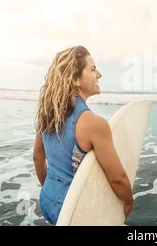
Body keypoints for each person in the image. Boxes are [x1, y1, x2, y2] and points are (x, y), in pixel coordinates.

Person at [33, 46, 133, 225]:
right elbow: (118, 179)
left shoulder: (48, 113)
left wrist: (51, 191)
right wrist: (128, 202)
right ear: (76, 79)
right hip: (74, 213)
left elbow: (38, 159)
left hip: (47, 201)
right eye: (93, 69)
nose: (99, 74)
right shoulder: (93, 123)